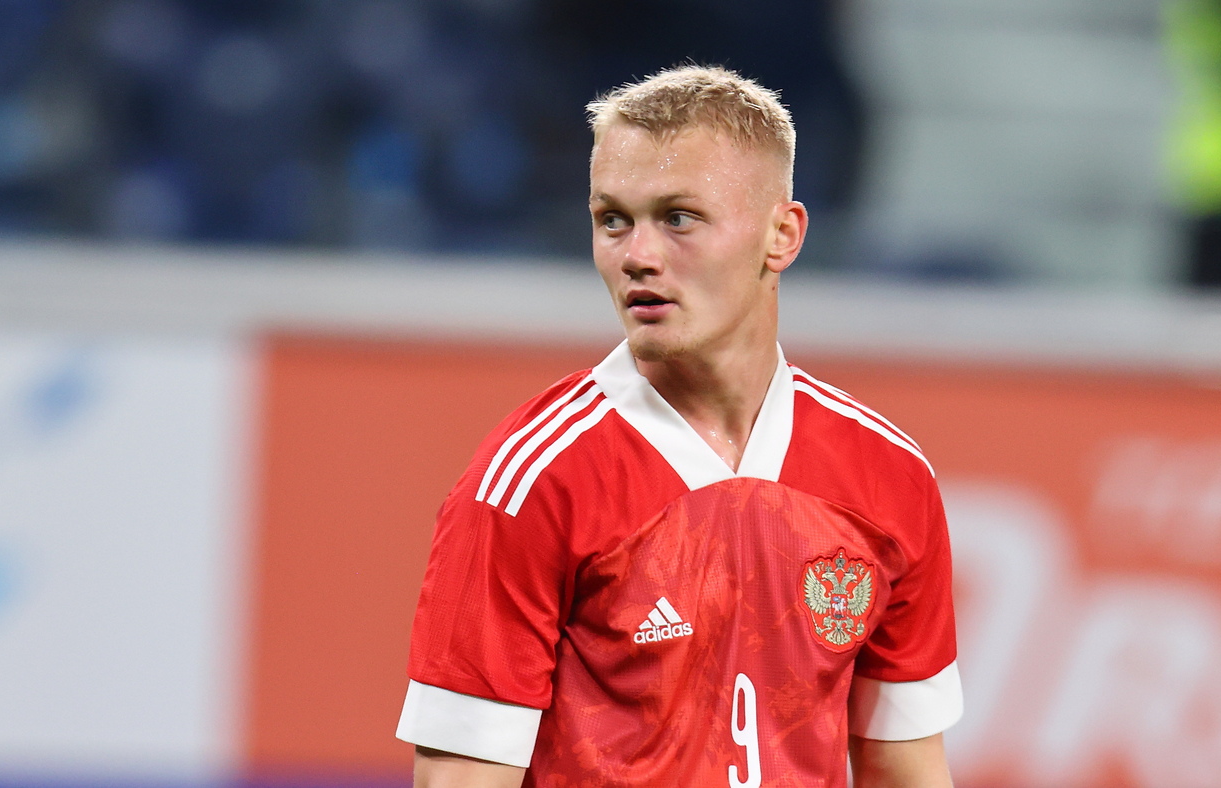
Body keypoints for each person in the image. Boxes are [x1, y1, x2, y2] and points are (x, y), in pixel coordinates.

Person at [396, 65, 962, 787]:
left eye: (679, 218)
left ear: (781, 235)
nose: (638, 256)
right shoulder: (529, 484)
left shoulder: (891, 477)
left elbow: (906, 768)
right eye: (613, 220)